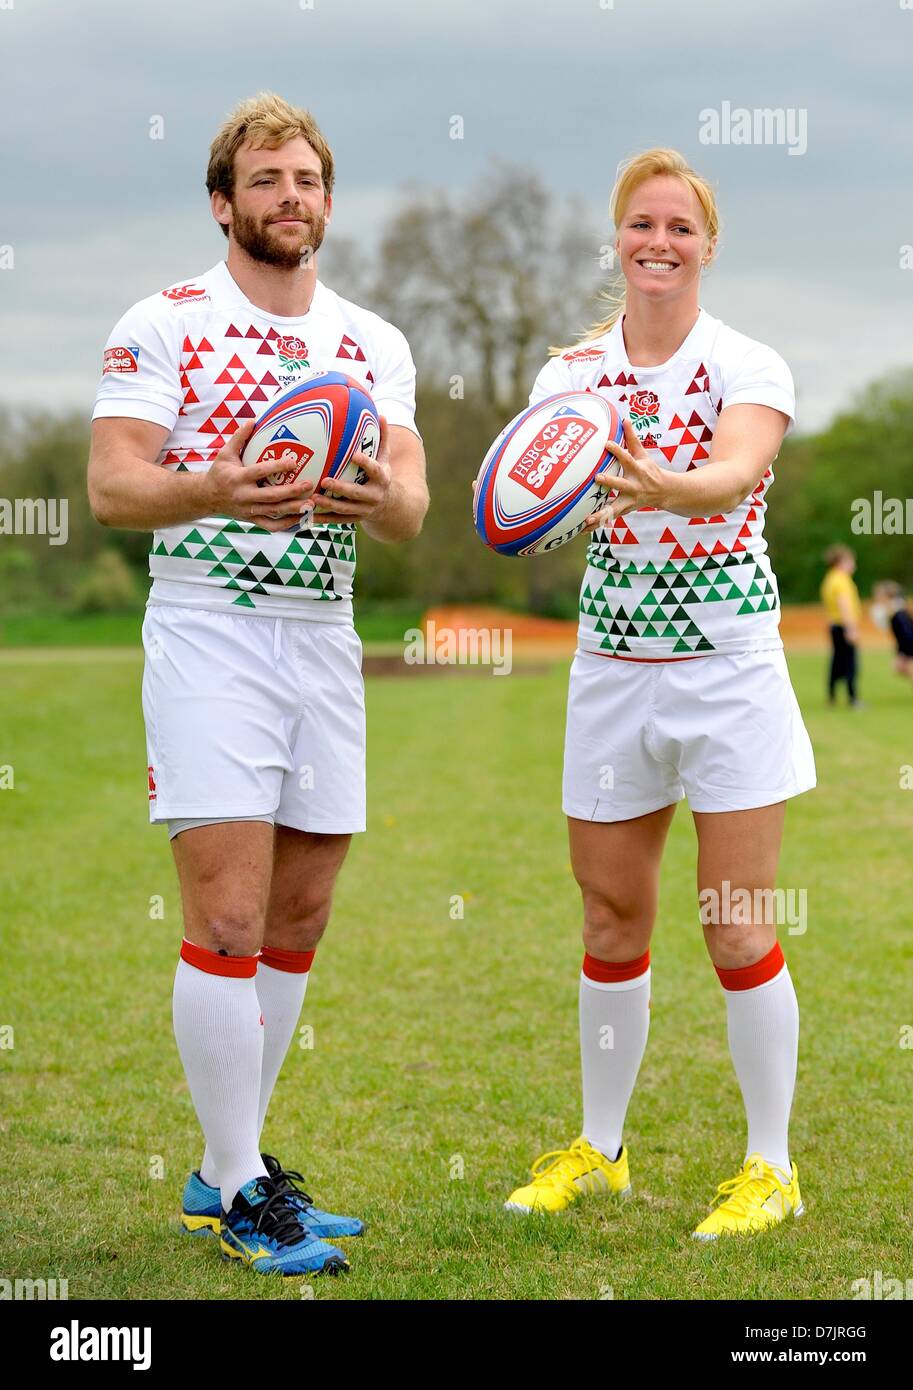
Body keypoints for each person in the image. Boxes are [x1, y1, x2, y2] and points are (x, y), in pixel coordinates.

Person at [88, 92, 428, 1278]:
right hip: (209, 633)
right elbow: (116, 487)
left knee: (297, 917)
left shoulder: (372, 341)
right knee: (227, 917)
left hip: (322, 638)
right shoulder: (166, 321)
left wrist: (371, 495)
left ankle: (224, 1165)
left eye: (309, 180)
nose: (292, 198)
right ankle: (238, 1188)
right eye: (268, 180)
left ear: (329, 199)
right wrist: (218, 486)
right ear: (224, 201)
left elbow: (413, 509)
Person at [503, 148, 816, 1240]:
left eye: (680, 227)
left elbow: (731, 472)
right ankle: (601, 1149)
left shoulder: (750, 363)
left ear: (707, 245)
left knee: (735, 924)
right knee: (607, 913)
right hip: (612, 673)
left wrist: (651, 483)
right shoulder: (567, 380)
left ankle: (769, 1166)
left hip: (727, 673)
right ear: (618, 238)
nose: (659, 243)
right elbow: (533, 507)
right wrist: (537, 511)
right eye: (642, 224)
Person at [820, 545, 863, 707]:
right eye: (850, 561)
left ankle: (831, 696)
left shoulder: (830, 579)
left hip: (834, 625)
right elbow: (844, 604)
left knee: (836, 661)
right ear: (841, 562)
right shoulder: (841, 580)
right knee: (850, 663)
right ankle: (853, 698)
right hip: (843, 625)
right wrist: (851, 628)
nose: (853, 564)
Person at [872, 581, 913, 685]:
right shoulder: (895, 607)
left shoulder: (895, 609)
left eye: (878, 594)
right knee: (899, 667)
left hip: (909, 641)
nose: (876, 597)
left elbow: (905, 630)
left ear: (886, 596)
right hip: (905, 641)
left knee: (900, 666)